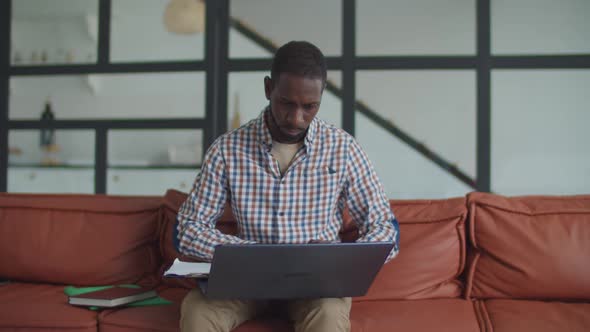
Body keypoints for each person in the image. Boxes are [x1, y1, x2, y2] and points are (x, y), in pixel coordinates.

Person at [176, 40, 400, 332]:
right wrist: (248, 252)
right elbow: (188, 229)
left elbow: (384, 227)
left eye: (310, 107)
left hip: (316, 287)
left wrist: (342, 258)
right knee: (196, 313)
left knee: (329, 317)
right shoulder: (226, 150)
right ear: (269, 89)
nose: (297, 118)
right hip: (246, 280)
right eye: (286, 103)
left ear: (322, 95)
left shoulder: (343, 149)